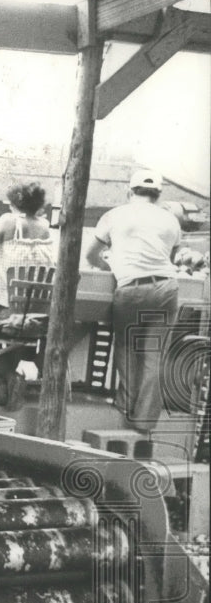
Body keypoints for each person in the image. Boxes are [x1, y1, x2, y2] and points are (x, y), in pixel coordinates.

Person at [84, 169, 182, 434]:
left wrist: (110, 267)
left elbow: (90, 255)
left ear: (130, 191)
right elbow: (168, 258)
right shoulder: (170, 220)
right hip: (166, 288)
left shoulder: (115, 215)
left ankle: (125, 407)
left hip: (131, 288)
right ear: (158, 194)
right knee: (154, 356)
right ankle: (144, 423)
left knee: (127, 346)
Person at [0, 182, 54, 409]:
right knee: (10, 335)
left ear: (14, 202)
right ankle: (4, 383)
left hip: (11, 312)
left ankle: (8, 376)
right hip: (39, 313)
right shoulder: (44, 226)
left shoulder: (8, 221)